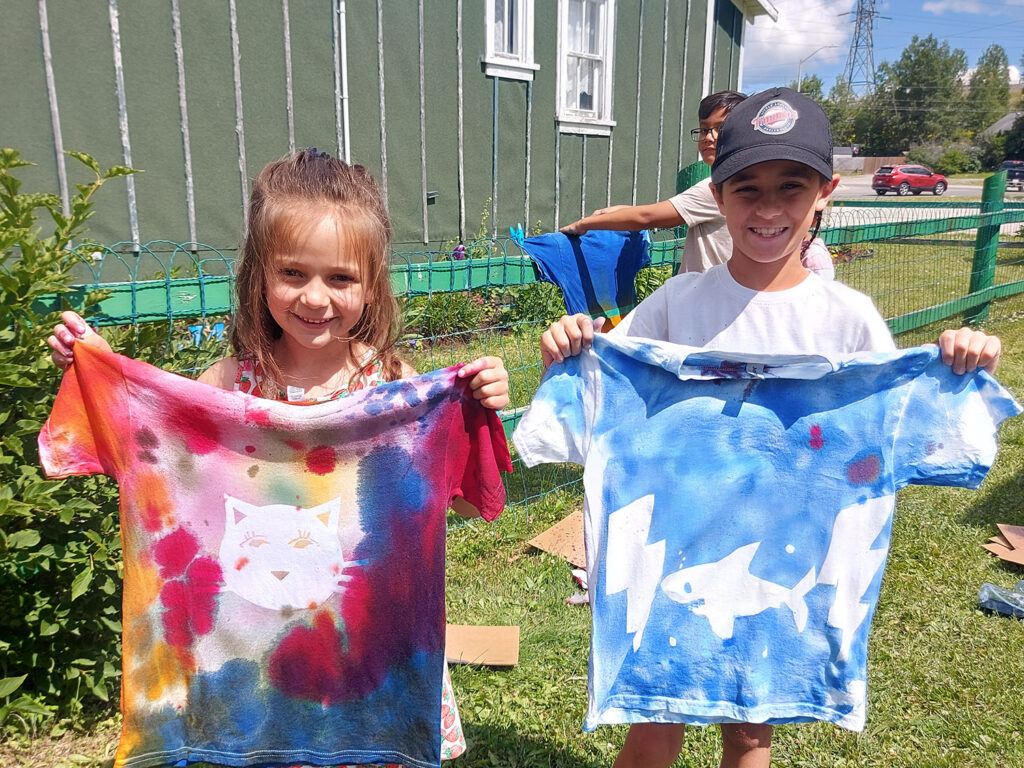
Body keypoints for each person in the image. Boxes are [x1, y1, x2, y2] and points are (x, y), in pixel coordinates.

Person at [539, 88, 1001, 768]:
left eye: (791, 187)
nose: (766, 208)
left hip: (787, 555)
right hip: (675, 549)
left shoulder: (849, 321)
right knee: (654, 719)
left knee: (751, 728)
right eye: (746, 187)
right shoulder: (676, 302)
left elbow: (913, 432)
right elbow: (608, 380)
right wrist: (570, 342)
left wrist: (960, 363)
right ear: (717, 195)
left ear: (825, 193)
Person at [47, 147, 510, 767]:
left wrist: (476, 398)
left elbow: (424, 498)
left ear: (371, 285)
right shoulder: (230, 380)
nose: (315, 297)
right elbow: (160, 452)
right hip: (251, 645)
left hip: (362, 646)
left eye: (340, 278)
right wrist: (99, 370)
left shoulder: (396, 385)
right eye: (293, 273)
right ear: (259, 275)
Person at [559, 90, 835, 280]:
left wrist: (584, 225)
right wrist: (619, 210)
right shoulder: (715, 186)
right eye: (705, 129)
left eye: (722, 129)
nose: (710, 137)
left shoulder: (716, 186)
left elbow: (647, 217)